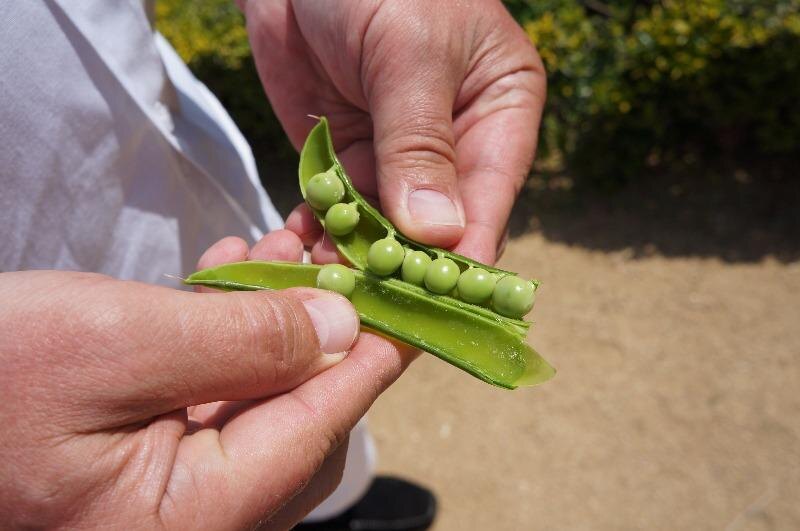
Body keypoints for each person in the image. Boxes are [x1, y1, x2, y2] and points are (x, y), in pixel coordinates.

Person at [0, 0, 545, 529]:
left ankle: (343, 505)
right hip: (41, 342)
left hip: (173, 132)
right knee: (239, 444)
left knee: (320, 421)